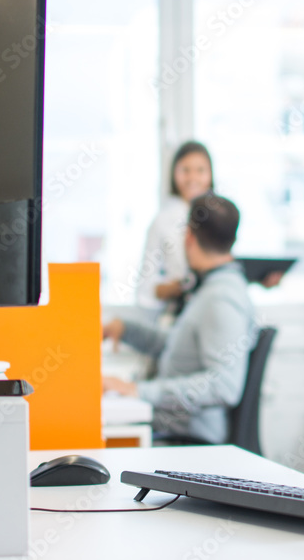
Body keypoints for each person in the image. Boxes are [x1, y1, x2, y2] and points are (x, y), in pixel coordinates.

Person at [103, 193, 256, 444]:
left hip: (188, 440)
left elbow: (224, 386)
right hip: (173, 433)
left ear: (188, 238)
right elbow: (177, 347)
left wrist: (138, 391)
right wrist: (126, 329)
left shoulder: (221, 298)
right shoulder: (211, 289)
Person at [135, 141, 215, 323]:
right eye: (185, 170)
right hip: (177, 316)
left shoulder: (220, 216)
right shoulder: (162, 221)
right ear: (174, 174)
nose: (192, 178)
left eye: (200, 170)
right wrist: (178, 287)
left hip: (213, 312)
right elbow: (145, 288)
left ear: (210, 174)